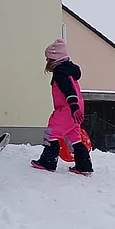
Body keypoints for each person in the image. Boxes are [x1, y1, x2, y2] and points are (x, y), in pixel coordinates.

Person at [31, 39, 93, 175]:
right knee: (74, 138)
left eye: (48, 58)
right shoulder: (69, 70)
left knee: (51, 133)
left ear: (54, 58)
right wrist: (76, 108)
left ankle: (48, 162)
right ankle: (84, 166)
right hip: (76, 109)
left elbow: (68, 89)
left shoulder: (60, 71)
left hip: (68, 109)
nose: (46, 60)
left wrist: (73, 106)